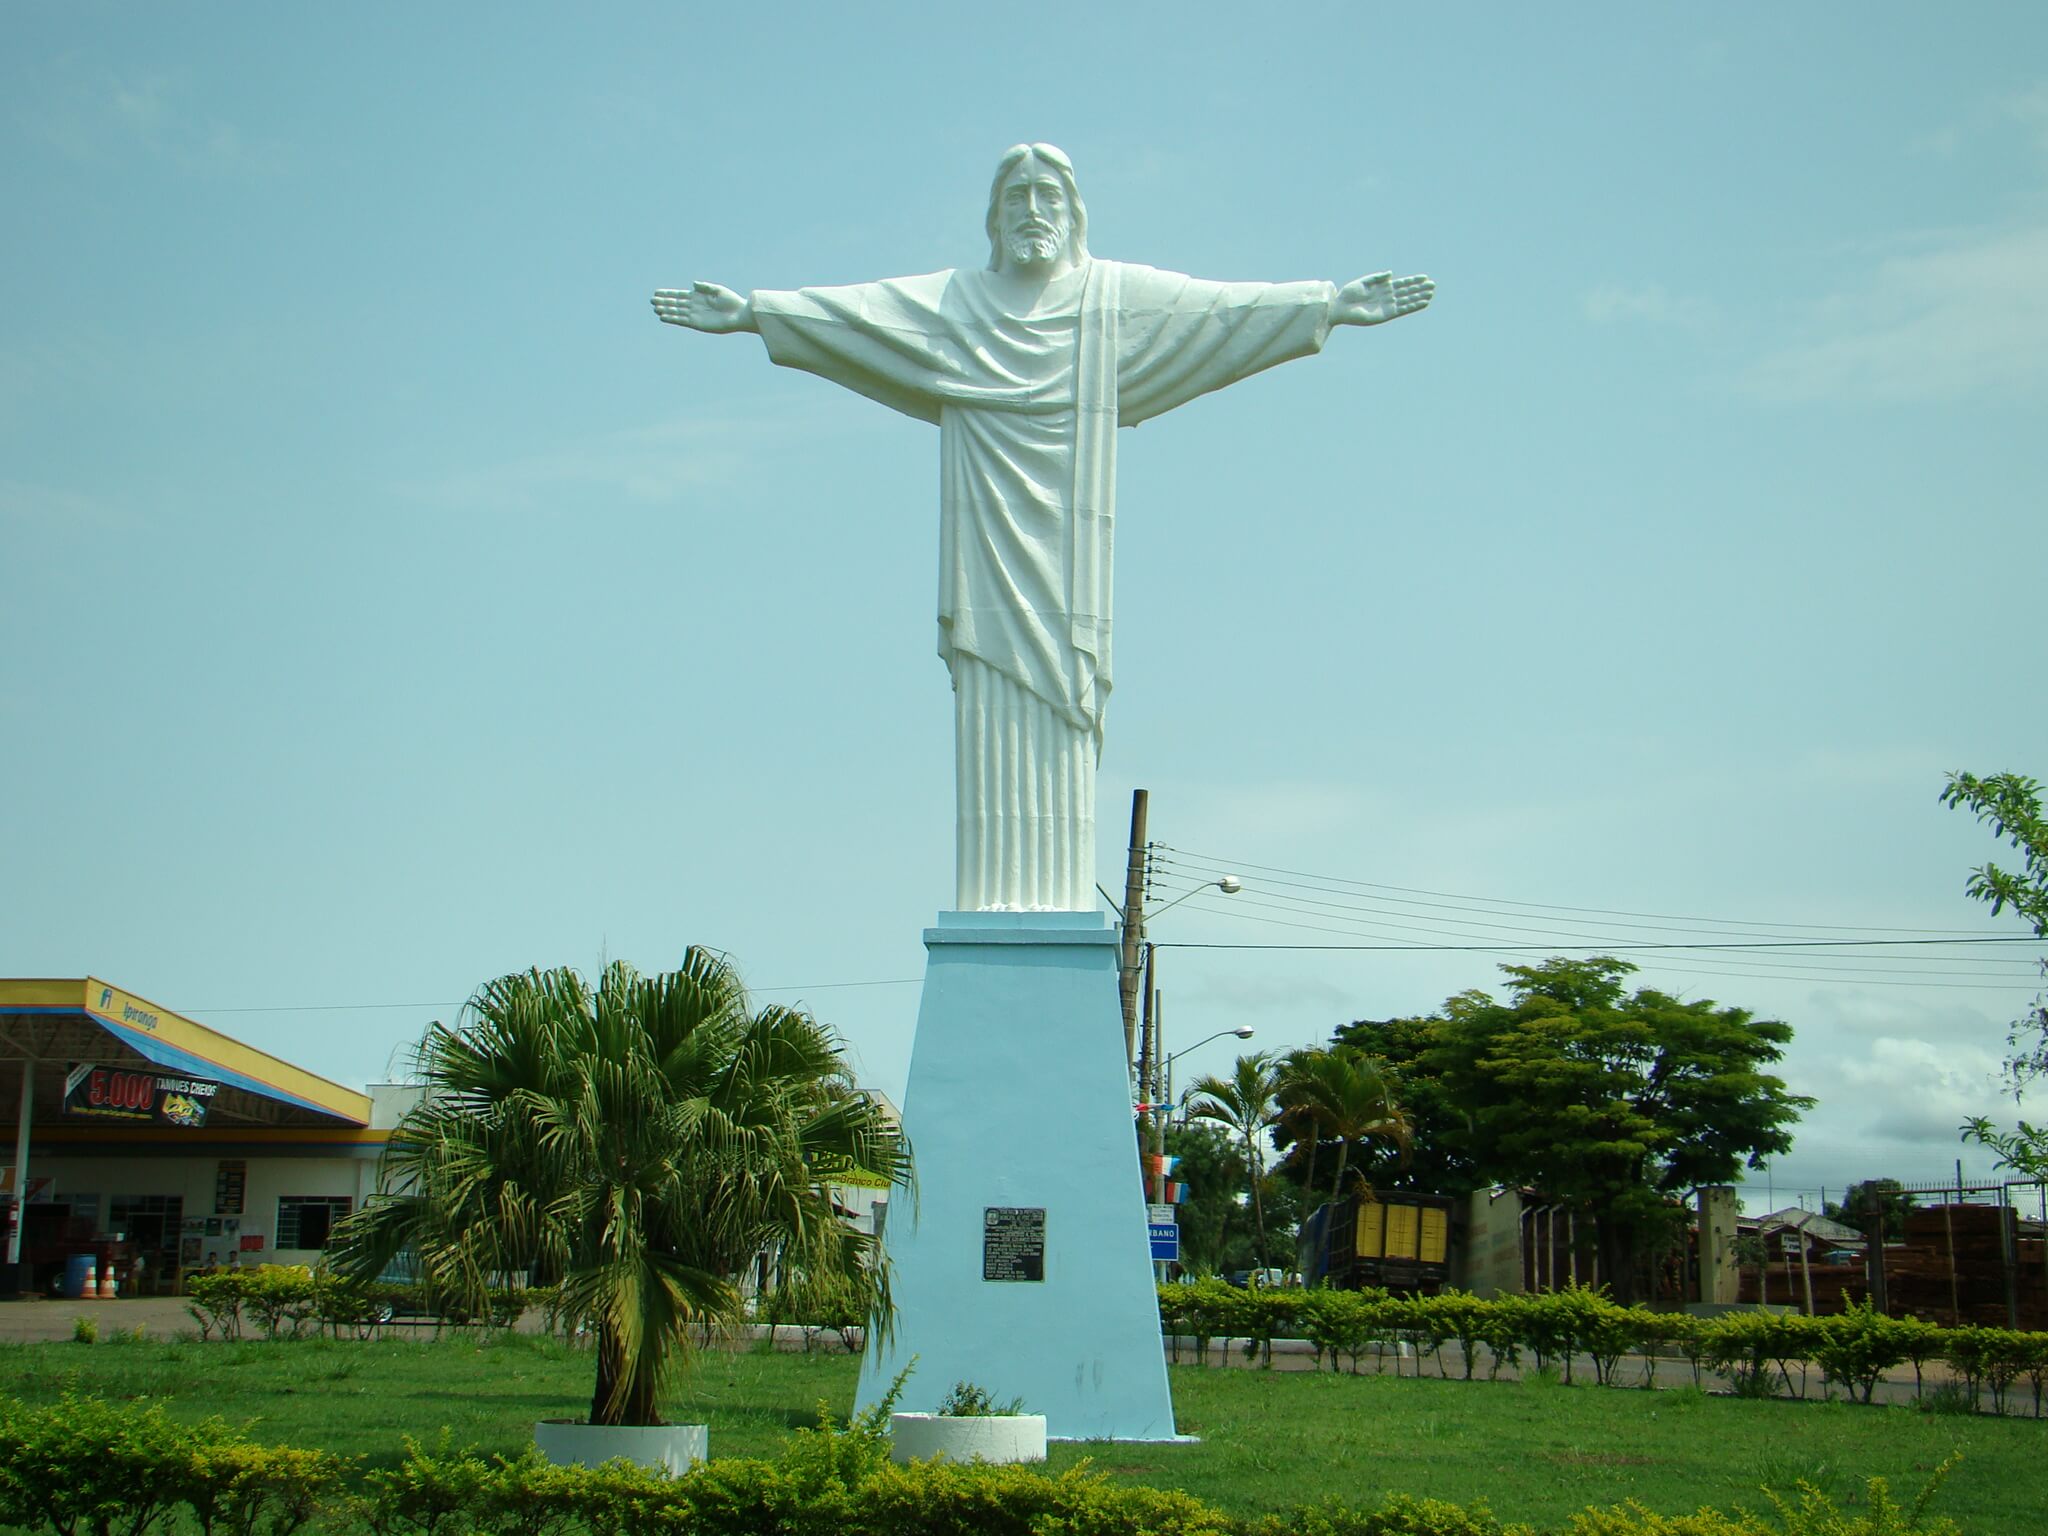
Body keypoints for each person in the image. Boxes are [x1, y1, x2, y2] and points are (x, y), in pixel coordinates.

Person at [653, 144, 1432, 911]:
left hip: (1070, 570)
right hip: (985, 549)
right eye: (1016, 197)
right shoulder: (954, 303)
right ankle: (996, 905)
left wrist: (1325, 306)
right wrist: (755, 314)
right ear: (993, 218)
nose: (1033, 212)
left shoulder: (1112, 300)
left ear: (1074, 213)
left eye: (1047, 196)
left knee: (1062, 703)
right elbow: (858, 316)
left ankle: (1050, 905)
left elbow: (1220, 311)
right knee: (990, 704)